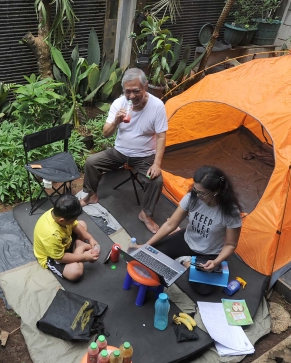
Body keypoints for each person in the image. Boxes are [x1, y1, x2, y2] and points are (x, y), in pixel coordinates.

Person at [80, 68, 168, 234]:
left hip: (143, 157)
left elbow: (161, 137)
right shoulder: (119, 103)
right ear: (123, 90)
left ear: (146, 87)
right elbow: (106, 133)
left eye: (136, 91)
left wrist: (156, 164)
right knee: (92, 162)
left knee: (155, 180)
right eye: (128, 92)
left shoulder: (157, 106)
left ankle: (146, 214)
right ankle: (92, 195)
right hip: (119, 153)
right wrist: (115, 122)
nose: (132, 96)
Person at [145, 166, 242, 293]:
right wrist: (146, 246)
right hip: (186, 239)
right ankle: (184, 259)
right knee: (150, 257)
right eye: (195, 190)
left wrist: (216, 262)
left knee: (203, 290)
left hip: (209, 252)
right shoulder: (192, 197)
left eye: (202, 193)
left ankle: (184, 260)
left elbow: (230, 244)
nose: (197, 195)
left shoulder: (230, 212)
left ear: (216, 191)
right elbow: (170, 224)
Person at [34, 194, 100, 281]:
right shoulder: (51, 235)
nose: (74, 221)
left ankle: (78, 245)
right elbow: (60, 258)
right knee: (76, 272)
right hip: (53, 256)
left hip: (64, 241)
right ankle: (80, 247)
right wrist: (84, 257)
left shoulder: (57, 212)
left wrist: (90, 238)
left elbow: (75, 224)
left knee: (82, 224)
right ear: (62, 220)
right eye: (73, 219)